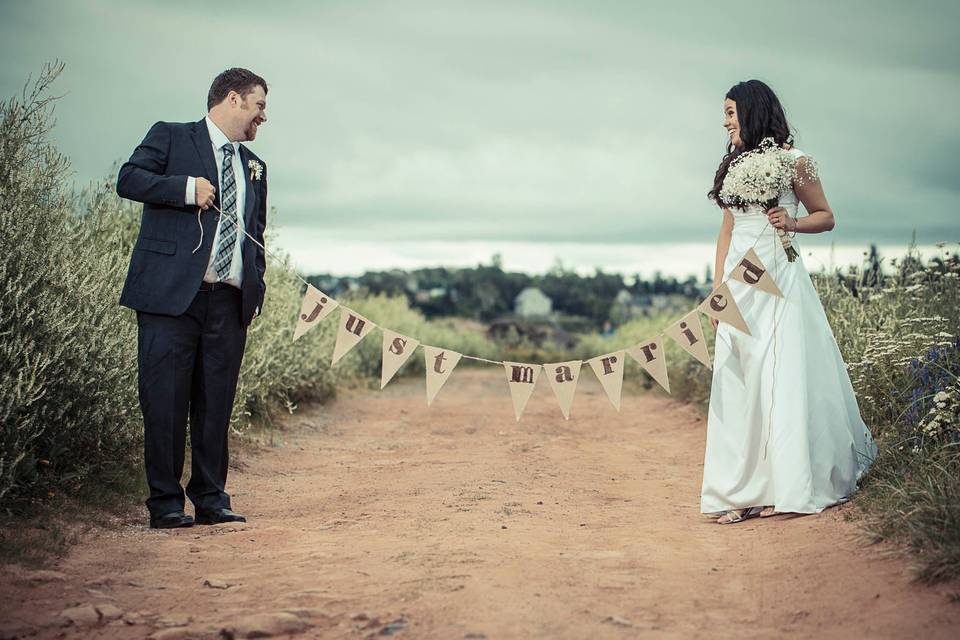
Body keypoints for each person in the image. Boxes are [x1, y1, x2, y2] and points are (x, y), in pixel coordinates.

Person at [701, 79, 877, 524]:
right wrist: (717, 287)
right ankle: (741, 489)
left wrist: (792, 222)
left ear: (752, 112)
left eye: (729, 112)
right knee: (739, 381)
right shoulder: (733, 164)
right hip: (737, 285)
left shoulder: (796, 161)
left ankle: (786, 484)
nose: (724, 122)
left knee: (774, 376)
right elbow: (727, 231)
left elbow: (827, 216)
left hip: (777, 279)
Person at [117, 68, 269, 528]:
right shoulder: (170, 136)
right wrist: (185, 189)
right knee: (163, 400)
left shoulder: (255, 168)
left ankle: (211, 498)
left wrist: (254, 288)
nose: (264, 116)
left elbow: (255, 232)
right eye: (259, 105)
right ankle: (164, 503)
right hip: (169, 299)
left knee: (215, 403)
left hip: (228, 303)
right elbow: (129, 179)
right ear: (233, 98)